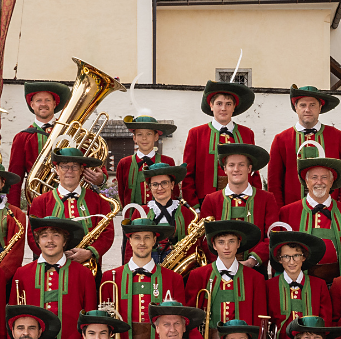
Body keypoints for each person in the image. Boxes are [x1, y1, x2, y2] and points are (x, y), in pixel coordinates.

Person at [10, 216, 98, 339]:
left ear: (64, 241)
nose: (50, 241)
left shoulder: (83, 273)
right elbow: (13, 317)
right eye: (44, 236)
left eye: (56, 236)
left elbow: (90, 316)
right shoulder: (22, 273)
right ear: (38, 241)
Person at [273, 144, 341, 278]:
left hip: (340, 283)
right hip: (304, 285)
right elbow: (279, 255)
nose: (319, 182)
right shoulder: (287, 212)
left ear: (332, 182)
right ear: (306, 182)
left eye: (324, 177)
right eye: (314, 177)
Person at [103, 217, 184, 339]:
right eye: (137, 237)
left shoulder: (174, 278)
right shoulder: (110, 276)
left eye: (147, 237)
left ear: (154, 241)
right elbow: (104, 315)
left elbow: (181, 319)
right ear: (129, 241)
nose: (142, 242)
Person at [184, 220, 269, 339]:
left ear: (238, 244)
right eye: (221, 242)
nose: (226, 247)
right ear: (214, 245)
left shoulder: (255, 278)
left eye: (231, 241)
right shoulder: (198, 275)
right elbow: (190, 317)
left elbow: (259, 320)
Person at [265, 86, 341, 208]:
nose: (307, 109)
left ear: (320, 108)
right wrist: (280, 212)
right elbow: (274, 183)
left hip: (331, 211)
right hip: (292, 211)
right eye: (302, 105)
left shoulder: (337, 136)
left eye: (312, 105)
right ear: (296, 108)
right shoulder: (281, 139)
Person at [24, 147, 115, 268]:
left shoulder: (99, 200)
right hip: (52, 268)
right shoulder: (40, 202)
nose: (69, 171)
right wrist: (55, 256)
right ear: (56, 169)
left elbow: (107, 234)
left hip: (89, 267)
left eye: (74, 167)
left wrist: (89, 252)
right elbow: (32, 236)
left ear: (82, 169)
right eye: (64, 166)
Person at [181, 78, 261, 207]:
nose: (223, 108)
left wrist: (257, 201)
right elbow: (188, 174)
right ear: (211, 106)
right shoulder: (196, 134)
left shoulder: (247, 133)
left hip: (243, 201)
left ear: (234, 107)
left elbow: (254, 171)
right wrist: (194, 206)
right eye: (219, 103)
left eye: (228, 104)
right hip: (205, 202)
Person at [197, 144, 278, 268]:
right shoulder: (211, 200)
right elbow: (205, 239)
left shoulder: (267, 198)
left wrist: (253, 260)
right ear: (225, 169)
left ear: (249, 169)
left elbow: (272, 236)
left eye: (241, 165)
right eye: (231, 165)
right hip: (219, 270)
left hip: (255, 271)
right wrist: (222, 264)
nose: (236, 169)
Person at [264, 230, 333, 339]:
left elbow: (326, 323)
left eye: (296, 255)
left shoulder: (319, 285)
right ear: (279, 259)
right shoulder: (268, 286)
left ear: (304, 257)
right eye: (286, 256)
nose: (291, 262)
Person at [6, 81, 73, 208]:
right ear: (32, 105)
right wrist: (13, 212)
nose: (43, 104)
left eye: (48, 100)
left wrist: (100, 178)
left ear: (55, 103)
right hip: (38, 203)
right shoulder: (22, 138)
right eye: (38, 101)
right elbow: (15, 179)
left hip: (69, 200)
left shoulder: (69, 132)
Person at [124, 161, 197, 267]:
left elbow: (192, 245)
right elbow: (130, 245)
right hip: (146, 265)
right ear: (150, 187)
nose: (159, 188)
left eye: (164, 183)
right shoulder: (140, 211)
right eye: (155, 184)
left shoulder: (186, 212)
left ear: (172, 185)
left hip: (177, 264)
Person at [116, 114, 175, 208]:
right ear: (134, 138)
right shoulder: (124, 163)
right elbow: (122, 193)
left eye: (149, 134)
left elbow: (173, 192)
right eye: (140, 134)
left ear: (156, 137)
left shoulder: (168, 161)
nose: (144, 138)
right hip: (134, 218)